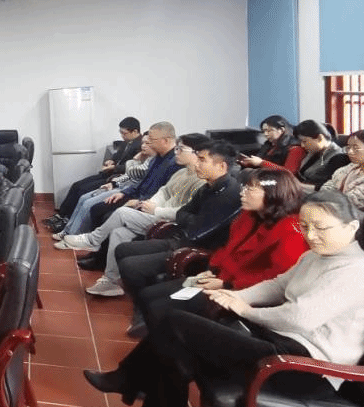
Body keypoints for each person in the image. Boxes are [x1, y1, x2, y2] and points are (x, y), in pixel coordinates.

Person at [84, 189, 364, 407]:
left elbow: (299, 318)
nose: (311, 235)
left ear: (351, 226)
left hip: (305, 368)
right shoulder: (316, 256)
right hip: (277, 343)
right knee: (176, 350)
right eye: (305, 226)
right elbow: (277, 285)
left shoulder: (358, 271)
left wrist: (245, 310)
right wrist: (235, 297)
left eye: (321, 228)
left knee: (175, 324)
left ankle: (131, 382)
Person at [134, 168, 308, 332]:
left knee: (159, 307)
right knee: (148, 295)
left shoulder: (291, 231)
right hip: (220, 277)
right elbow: (228, 249)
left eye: (250, 189)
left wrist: (226, 284)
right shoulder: (249, 216)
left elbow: (275, 278)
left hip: (243, 292)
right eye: (245, 187)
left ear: (274, 194)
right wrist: (213, 270)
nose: (243, 192)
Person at [115, 140, 242, 336]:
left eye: (202, 160)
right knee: (123, 249)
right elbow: (183, 212)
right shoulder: (208, 187)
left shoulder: (229, 194)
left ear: (221, 166)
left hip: (198, 248)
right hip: (182, 238)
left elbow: (197, 230)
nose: (197, 164)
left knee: (131, 266)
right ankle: (142, 306)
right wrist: (189, 219)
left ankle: (144, 312)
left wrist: (188, 219)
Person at [58, 133, 210, 297]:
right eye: (177, 148)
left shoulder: (200, 180)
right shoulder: (181, 173)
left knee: (122, 213)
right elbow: (164, 191)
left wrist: (156, 210)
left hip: (168, 222)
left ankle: (93, 240)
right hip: (155, 212)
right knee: (118, 233)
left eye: (181, 149)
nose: (176, 152)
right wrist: (150, 204)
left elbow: (184, 210)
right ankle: (110, 282)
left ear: (197, 153)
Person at [44, 117, 142, 231]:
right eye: (121, 133)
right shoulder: (126, 142)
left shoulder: (140, 146)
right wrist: (111, 160)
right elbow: (117, 156)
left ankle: (67, 220)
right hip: (109, 173)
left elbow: (132, 168)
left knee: (83, 190)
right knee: (76, 185)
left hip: (117, 178)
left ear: (135, 131)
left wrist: (115, 167)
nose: (122, 136)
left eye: (124, 133)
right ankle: (61, 215)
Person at [88, 122, 182, 229]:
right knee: (96, 208)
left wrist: (139, 202)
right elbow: (142, 182)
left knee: (107, 216)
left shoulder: (175, 163)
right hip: (136, 195)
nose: (149, 143)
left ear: (165, 141)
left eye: (152, 140)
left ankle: (96, 239)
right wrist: (123, 193)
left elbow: (165, 195)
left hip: (148, 203)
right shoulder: (157, 157)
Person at [321, 129, 364, 211]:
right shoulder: (351, 167)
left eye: (356, 148)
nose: (350, 152)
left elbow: (350, 202)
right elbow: (326, 188)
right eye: (348, 147)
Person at [291, 120, 347, 188]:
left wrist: (296, 186)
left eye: (304, 141)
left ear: (320, 138)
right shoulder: (314, 151)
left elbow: (327, 187)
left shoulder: (338, 158)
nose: (302, 145)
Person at [239, 114, 304, 171]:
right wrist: (251, 163)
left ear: (281, 130)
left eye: (269, 131)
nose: (265, 134)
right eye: (264, 131)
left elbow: (289, 171)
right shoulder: (269, 145)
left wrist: (261, 163)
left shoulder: (295, 148)